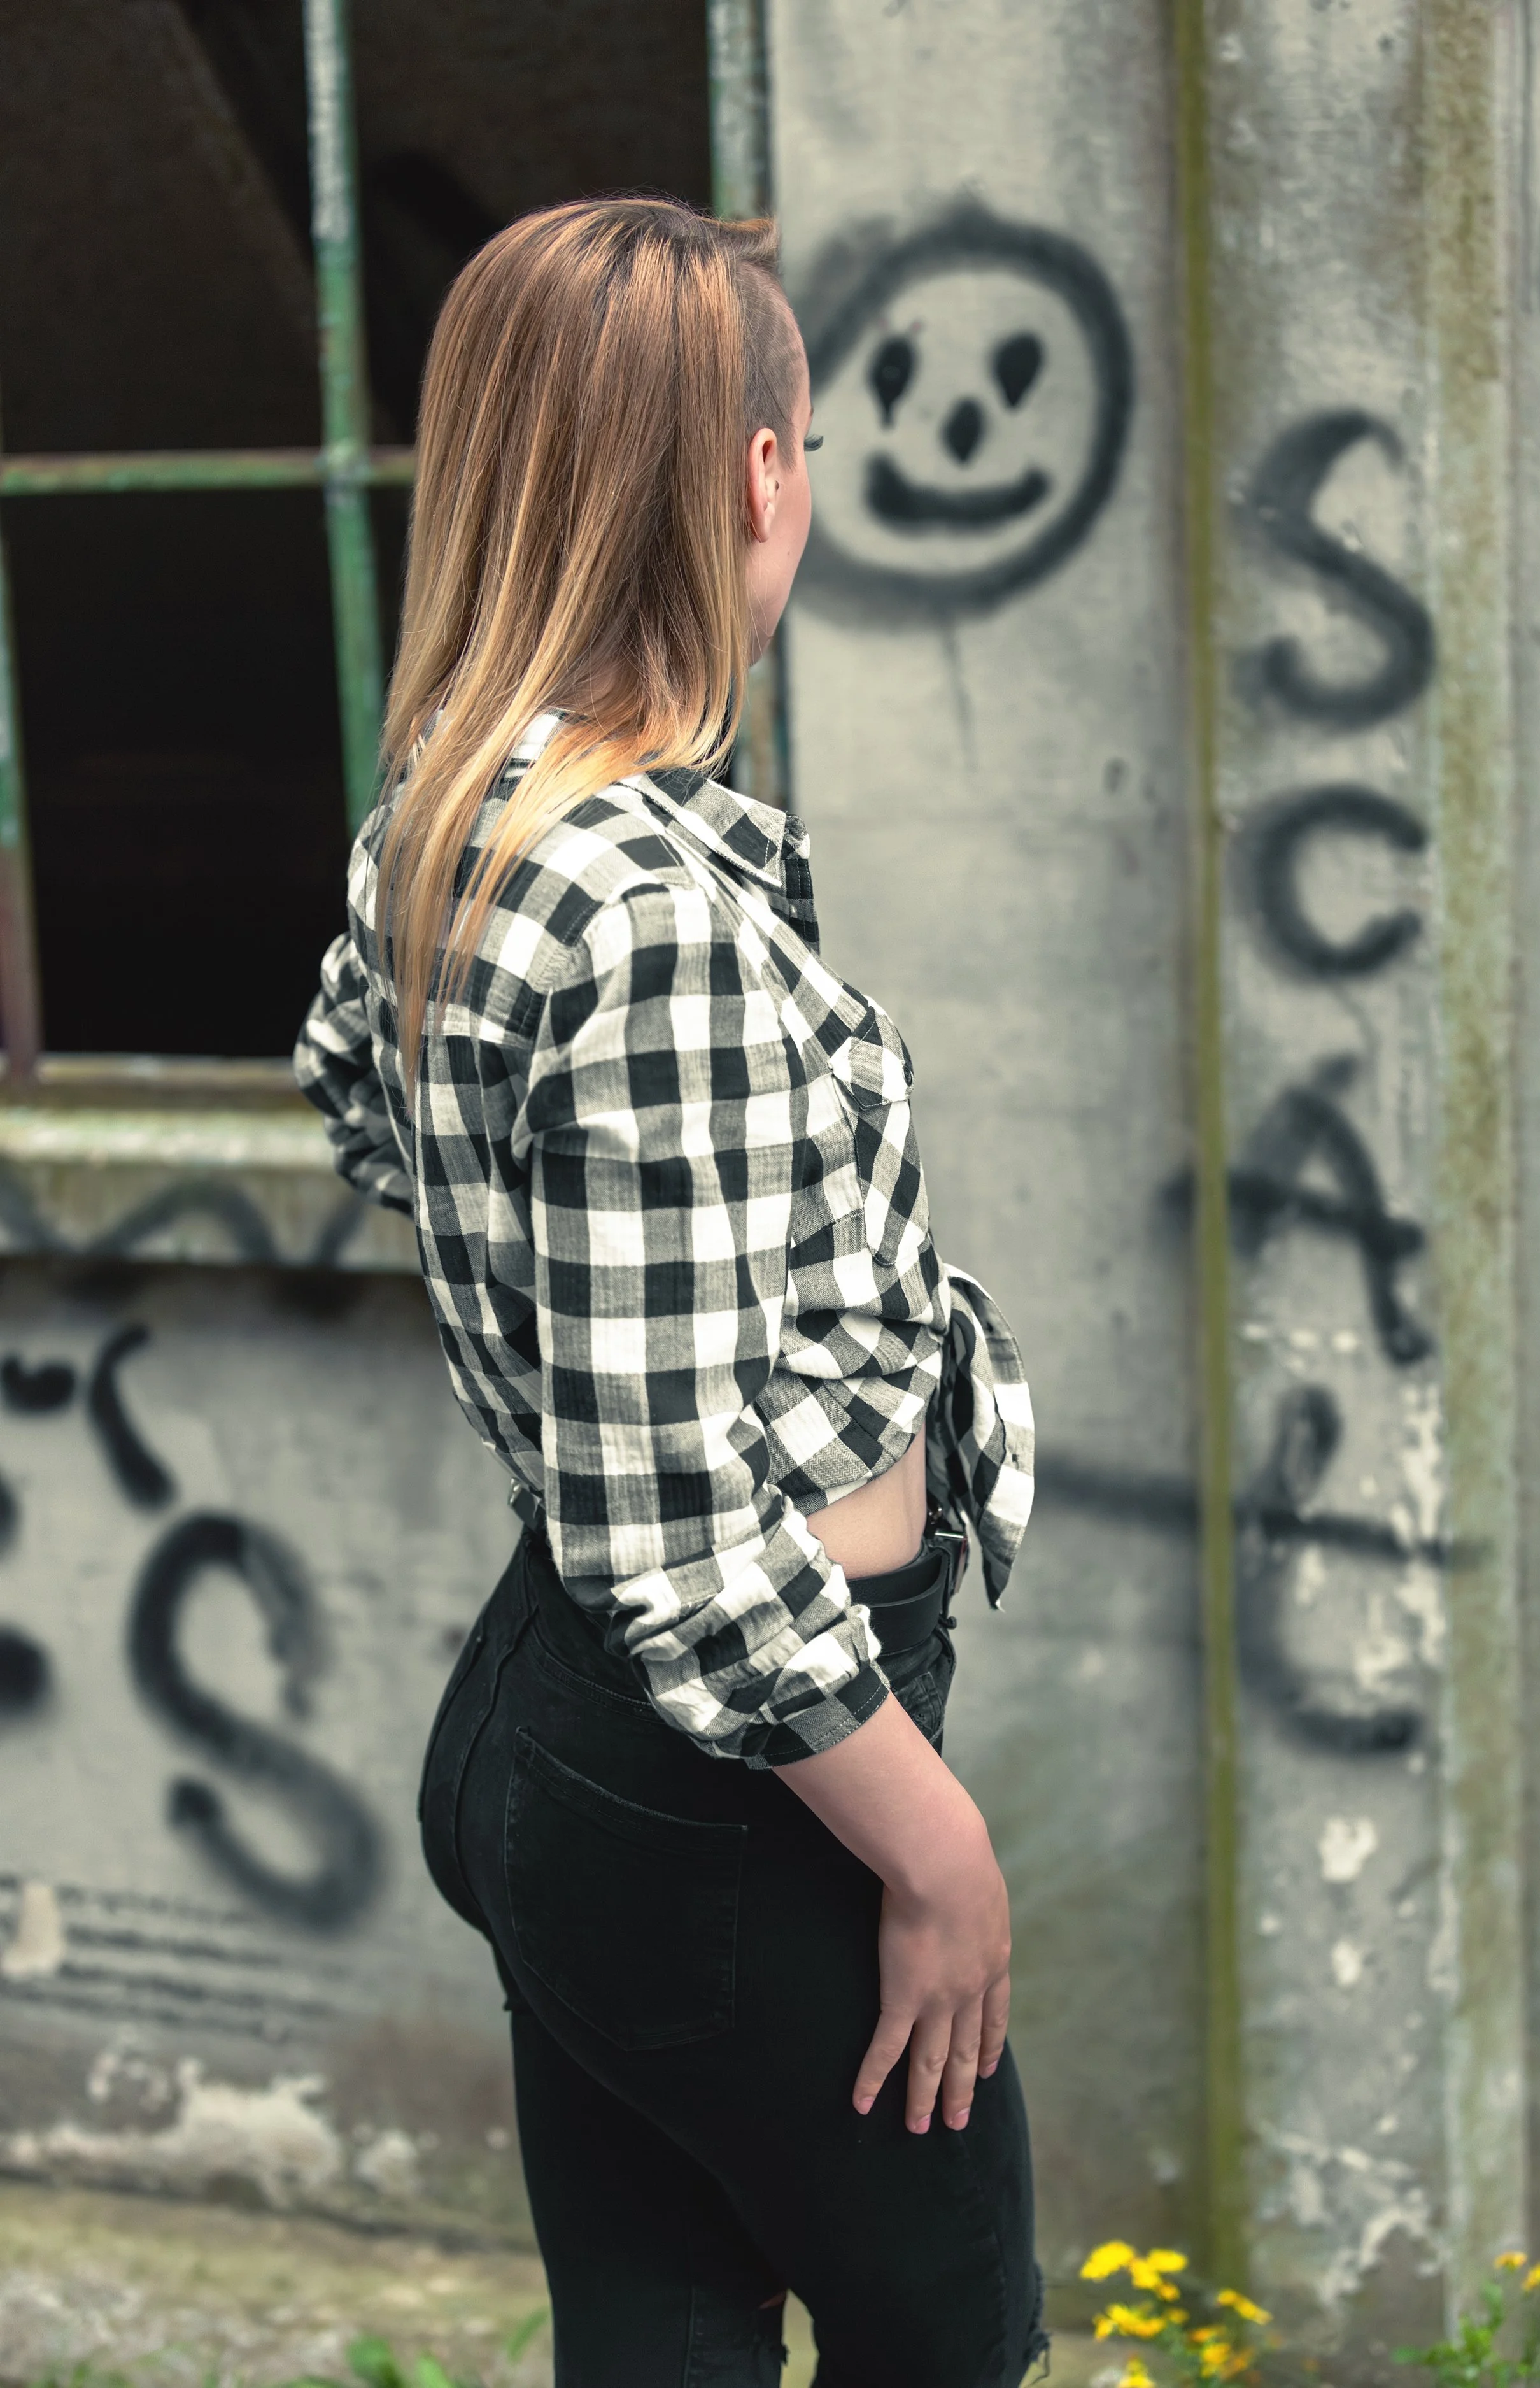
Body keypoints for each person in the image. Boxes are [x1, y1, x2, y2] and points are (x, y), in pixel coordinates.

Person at [295, 197, 1042, 2388]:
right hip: (738, 1782)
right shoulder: (653, 915)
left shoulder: (454, 818)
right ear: (756, 476)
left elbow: (351, 1087)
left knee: (659, 2326)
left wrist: (552, 1291)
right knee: (947, 2343)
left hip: (579, 1729)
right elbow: (678, 1534)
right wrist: (937, 1849)